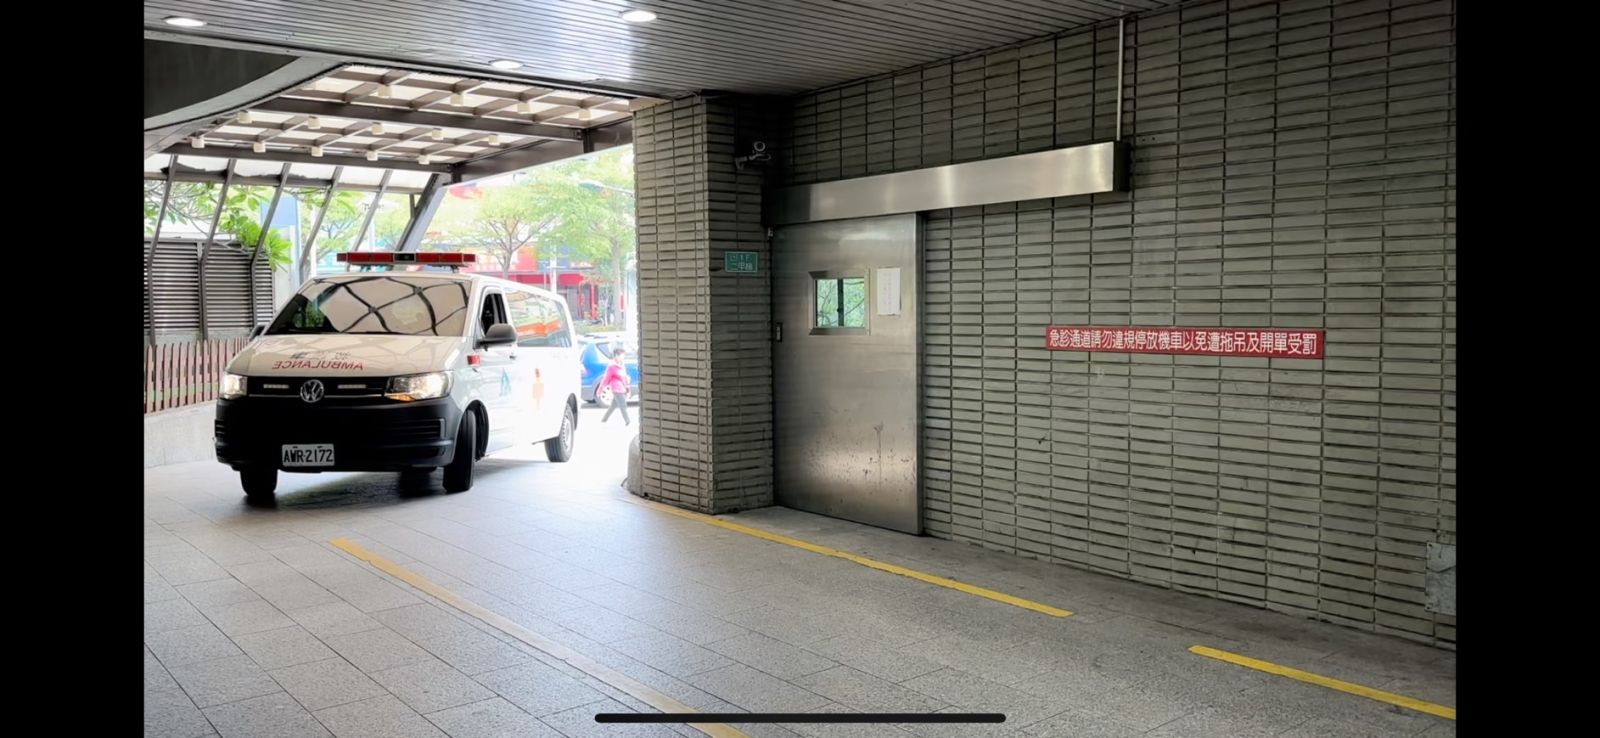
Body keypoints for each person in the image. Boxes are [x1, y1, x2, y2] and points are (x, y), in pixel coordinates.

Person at [600, 346, 631, 426]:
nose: (623, 357)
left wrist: (627, 388)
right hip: (616, 388)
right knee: (623, 405)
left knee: (613, 405)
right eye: (622, 355)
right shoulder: (612, 366)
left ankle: (604, 419)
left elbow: (624, 377)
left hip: (622, 387)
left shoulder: (622, 364)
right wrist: (600, 389)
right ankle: (627, 421)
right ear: (616, 355)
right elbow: (606, 378)